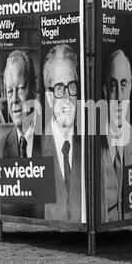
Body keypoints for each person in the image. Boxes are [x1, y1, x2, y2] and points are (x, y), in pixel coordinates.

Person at [0, 50, 43, 218]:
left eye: (20, 89)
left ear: (33, 89)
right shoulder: (1, 148)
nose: (14, 99)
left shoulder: (52, 141)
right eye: (10, 91)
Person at [42, 44, 82, 222]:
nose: (66, 98)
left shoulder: (94, 146)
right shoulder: (35, 148)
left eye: (71, 86)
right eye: (59, 88)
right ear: (49, 97)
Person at [100, 50, 132, 222]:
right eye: (113, 86)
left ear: (131, 87)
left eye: (124, 85)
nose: (119, 97)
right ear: (105, 90)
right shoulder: (94, 139)